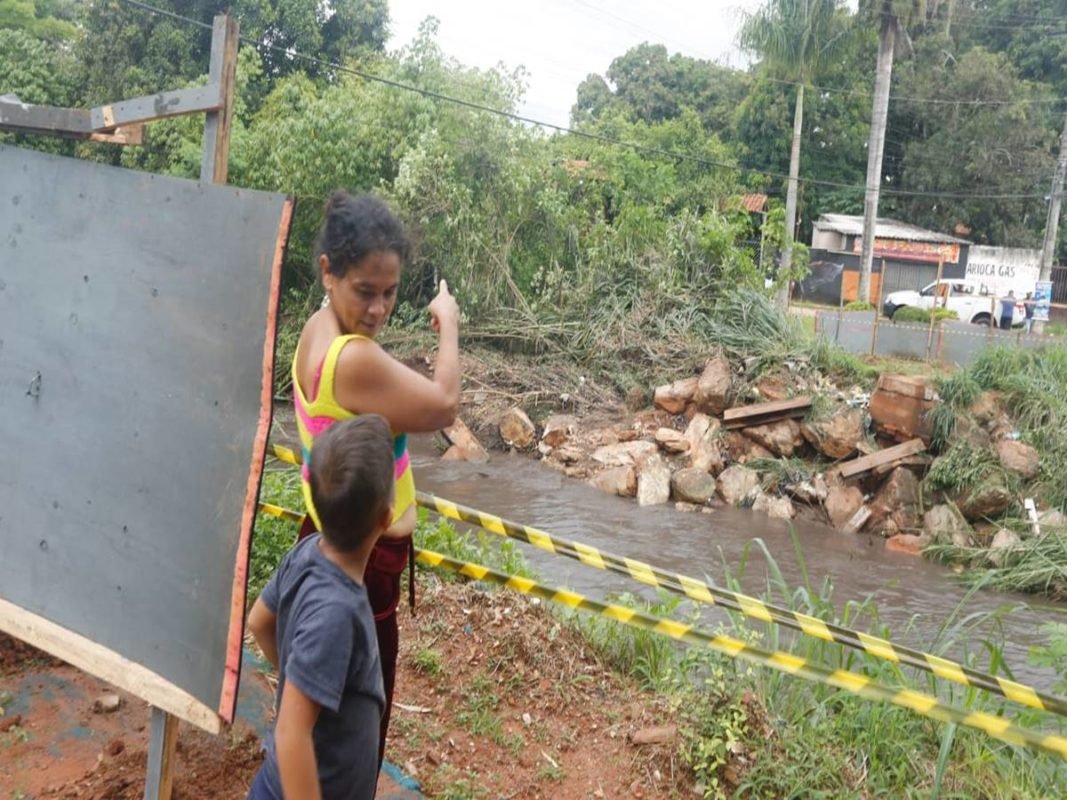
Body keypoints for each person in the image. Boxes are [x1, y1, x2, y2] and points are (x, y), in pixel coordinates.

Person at [291, 191, 460, 767]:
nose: (379, 309)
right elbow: (443, 405)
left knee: (318, 708)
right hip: (369, 567)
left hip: (323, 537)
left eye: (390, 293)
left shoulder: (314, 331)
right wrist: (449, 327)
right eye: (366, 291)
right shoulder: (353, 359)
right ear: (328, 271)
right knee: (363, 717)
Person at [247, 414, 396, 800]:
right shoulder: (337, 612)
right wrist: (305, 682)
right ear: (386, 518)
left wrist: (305, 677)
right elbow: (292, 733)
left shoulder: (305, 553)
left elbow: (259, 621)